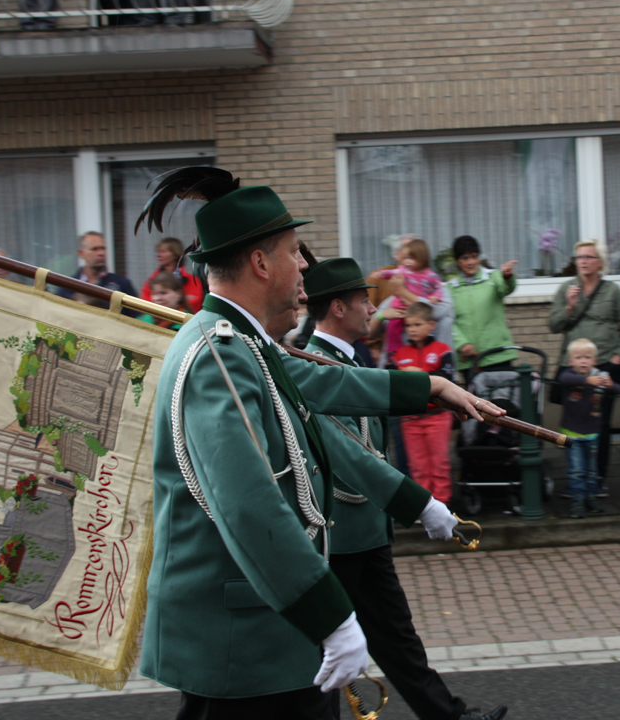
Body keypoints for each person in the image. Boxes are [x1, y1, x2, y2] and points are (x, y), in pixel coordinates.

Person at [139, 171, 497, 718]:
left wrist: (430, 386)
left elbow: (331, 381)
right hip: (244, 635)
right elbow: (246, 502)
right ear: (260, 263)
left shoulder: (244, 347)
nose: (305, 264)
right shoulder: (219, 353)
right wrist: (330, 616)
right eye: (292, 252)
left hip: (263, 626)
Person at [303, 259, 508, 720]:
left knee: (396, 640)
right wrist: (423, 506)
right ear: (337, 307)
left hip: (367, 531)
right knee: (328, 655)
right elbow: (348, 456)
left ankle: (451, 716)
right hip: (337, 534)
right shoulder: (310, 365)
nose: (372, 306)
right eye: (362, 299)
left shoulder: (351, 359)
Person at [547, 238, 620, 497]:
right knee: (574, 424)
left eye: (589, 257)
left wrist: (618, 359)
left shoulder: (612, 292)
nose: (583, 262)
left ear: (600, 262)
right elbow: (554, 325)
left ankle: (597, 480)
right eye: (579, 258)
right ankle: (577, 481)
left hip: (604, 366)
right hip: (573, 371)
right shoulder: (567, 288)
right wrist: (569, 307)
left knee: (601, 425)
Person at [390, 302, 456, 506]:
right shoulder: (399, 355)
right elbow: (391, 383)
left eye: (418, 324)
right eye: (409, 326)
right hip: (410, 419)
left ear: (431, 325)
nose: (413, 330)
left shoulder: (442, 350)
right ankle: (426, 507)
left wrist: (419, 374)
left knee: (439, 463)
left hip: (437, 417)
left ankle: (443, 503)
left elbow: (447, 378)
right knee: (417, 466)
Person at [557, 339, 620, 518]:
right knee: (576, 469)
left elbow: (619, 389)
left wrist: (609, 384)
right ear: (571, 361)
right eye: (578, 357)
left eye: (587, 357)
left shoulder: (599, 376)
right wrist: (587, 380)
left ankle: (590, 498)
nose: (583, 361)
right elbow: (564, 378)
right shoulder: (570, 375)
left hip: (592, 433)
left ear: (594, 360)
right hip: (571, 433)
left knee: (591, 470)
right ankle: (577, 500)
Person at [446, 235, 517, 387]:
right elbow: (448, 321)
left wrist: (507, 276)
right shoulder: (450, 288)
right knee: (478, 407)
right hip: (470, 361)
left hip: (498, 355)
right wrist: (462, 344)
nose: (471, 262)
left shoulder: (493, 277)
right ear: (458, 262)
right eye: (465, 258)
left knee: (504, 405)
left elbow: (506, 288)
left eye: (474, 256)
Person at [372, 238, 444, 359]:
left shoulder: (430, 275)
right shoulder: (404, 271)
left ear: (421, 258)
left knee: (422, 326)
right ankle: (394, 349)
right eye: (404, 258)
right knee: (393, 324)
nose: (406, 262)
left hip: (419, 308)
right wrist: (382, 274)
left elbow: (438, 286)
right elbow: (392, 272)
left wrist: (436, 296)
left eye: (410, 258)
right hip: (402, 305)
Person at [55, 231, 139, 315]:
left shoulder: (122, 283)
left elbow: (137, 317)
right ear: (81, 253)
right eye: (94, 249)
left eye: (103, 248)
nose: (101, 253)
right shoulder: (68, 286)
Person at [141, 236, 205, 313]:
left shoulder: (192, 280)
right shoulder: (151, 280)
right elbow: (145, 305)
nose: (158, 255)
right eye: (158, 251)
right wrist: (182, 300)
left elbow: (196, 304)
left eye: (163, 251)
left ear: (175, 254)